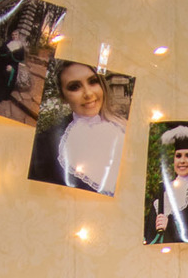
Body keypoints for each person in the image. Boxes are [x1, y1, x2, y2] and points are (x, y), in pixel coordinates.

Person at [28, 62, 127, 196]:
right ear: (63, 96)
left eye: (93, 81)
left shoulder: (123, 127)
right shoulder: (43, 146)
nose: (88, 94)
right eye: (74, 87)